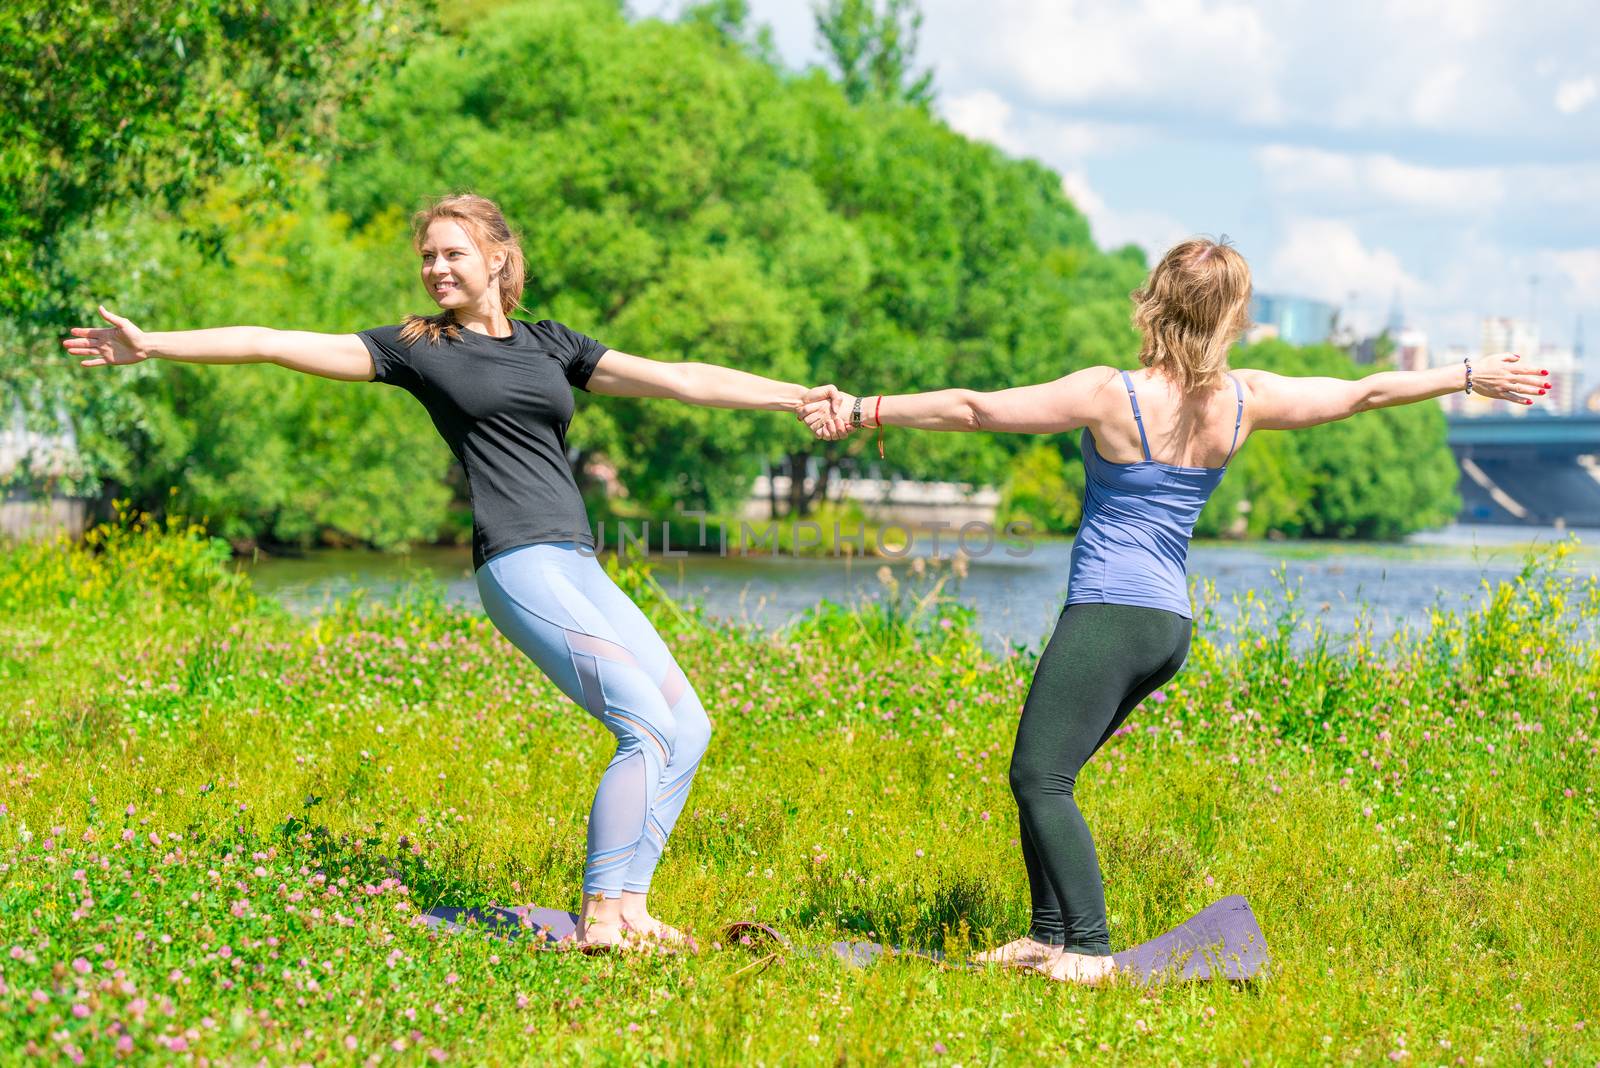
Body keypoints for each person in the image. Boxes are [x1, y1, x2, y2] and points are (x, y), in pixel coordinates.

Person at [65, 192, 842, 950]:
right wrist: (157, 342)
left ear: (498, 259)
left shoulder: (552, 343)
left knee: (689, 727)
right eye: (428, 256)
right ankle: (602, 919)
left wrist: (794, 398)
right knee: (641, 727)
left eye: (452, 253)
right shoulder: (417, 346)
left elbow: (681, 378)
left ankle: (631, 909)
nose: (436, 267)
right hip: (518, 563)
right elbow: (274, 338)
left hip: (578, 562)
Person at [798, 236, 1548, 983]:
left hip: (1108, 615)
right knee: (1051, 772)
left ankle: (1088, 950)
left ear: (1154, 303)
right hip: (1166, 626)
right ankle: (1045, 935)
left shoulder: (1109, 393)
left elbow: (972, 409)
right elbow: (1363, 393)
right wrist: (1469, 374)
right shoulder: (1245, 398)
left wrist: (865, 408)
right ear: (1231, 318)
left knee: (1038, 777)